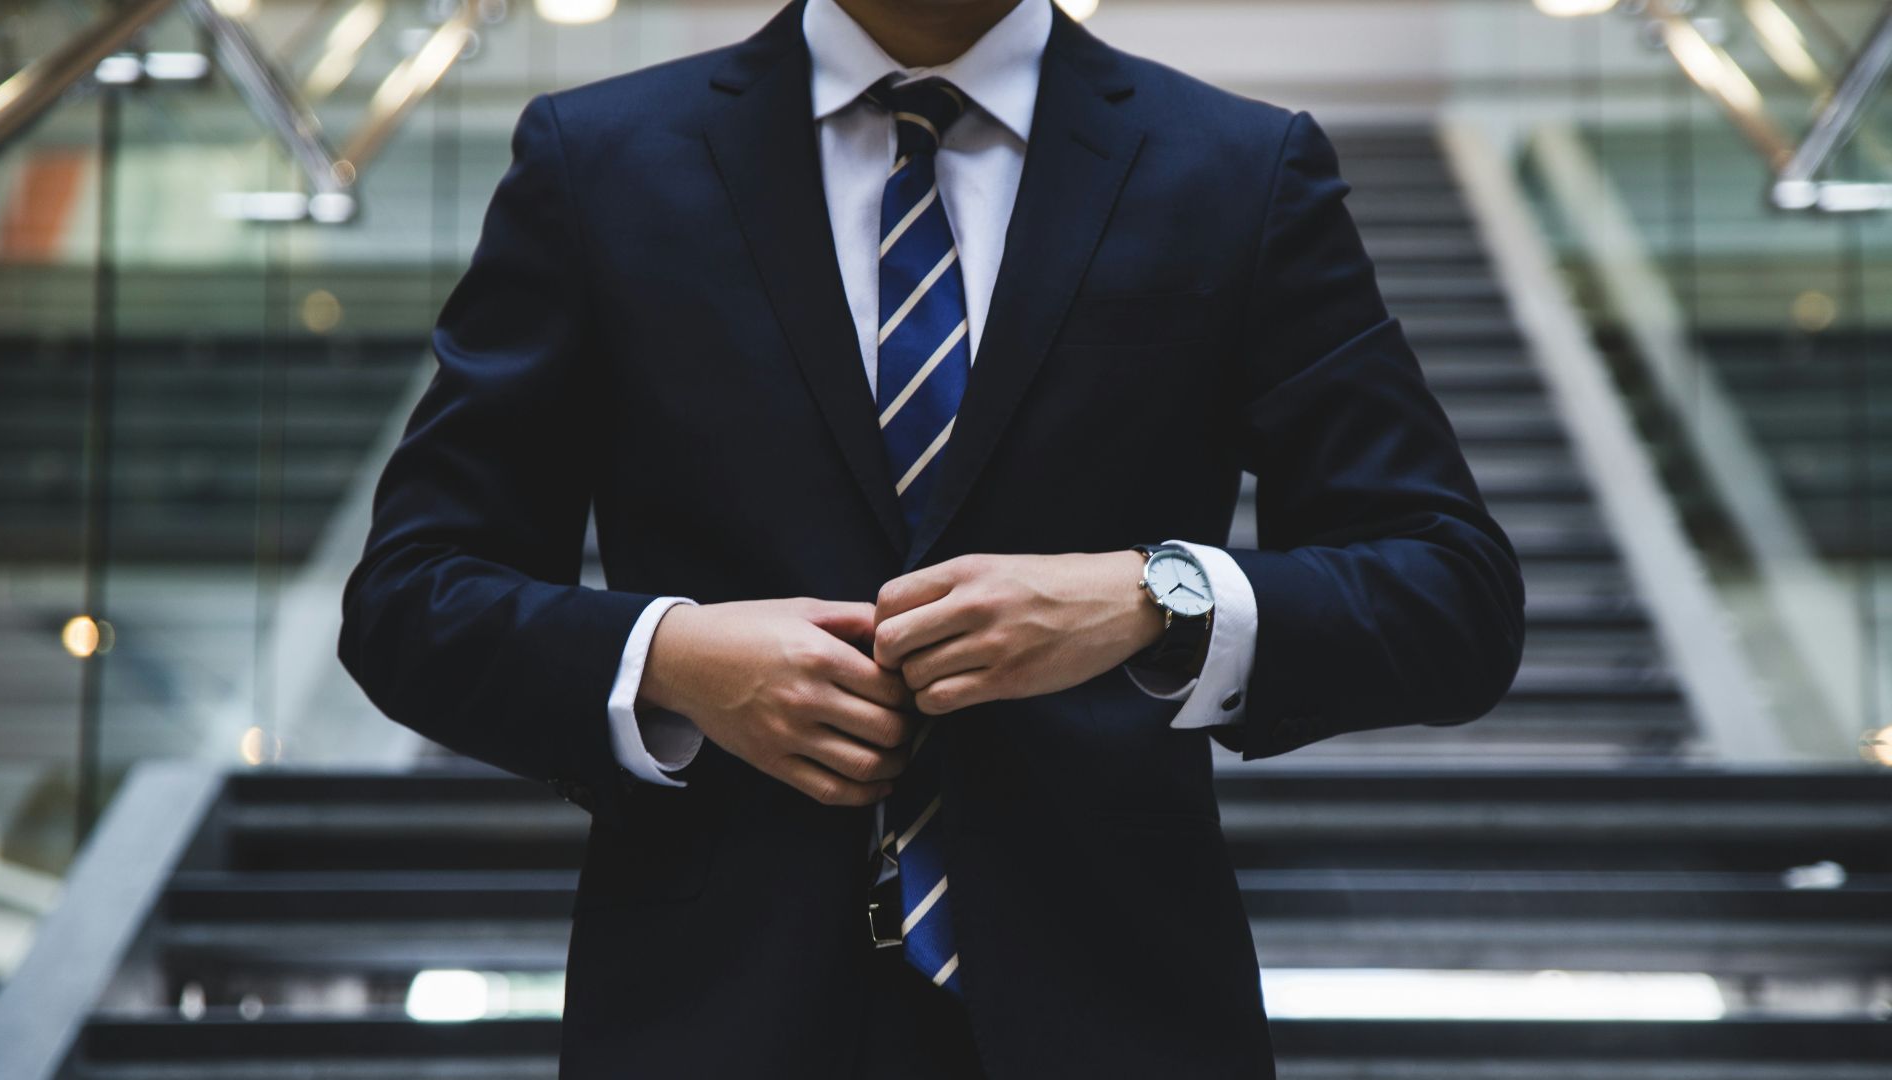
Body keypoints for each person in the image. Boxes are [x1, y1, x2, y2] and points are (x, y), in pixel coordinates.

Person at [339, 0, 1525, 1074]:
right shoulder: (597, 162)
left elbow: (1452, 592)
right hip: (709, 1013)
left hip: (1118, 1013)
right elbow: (410, 597)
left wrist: (1159, 598)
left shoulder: (1236, 169)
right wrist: (672, 662)